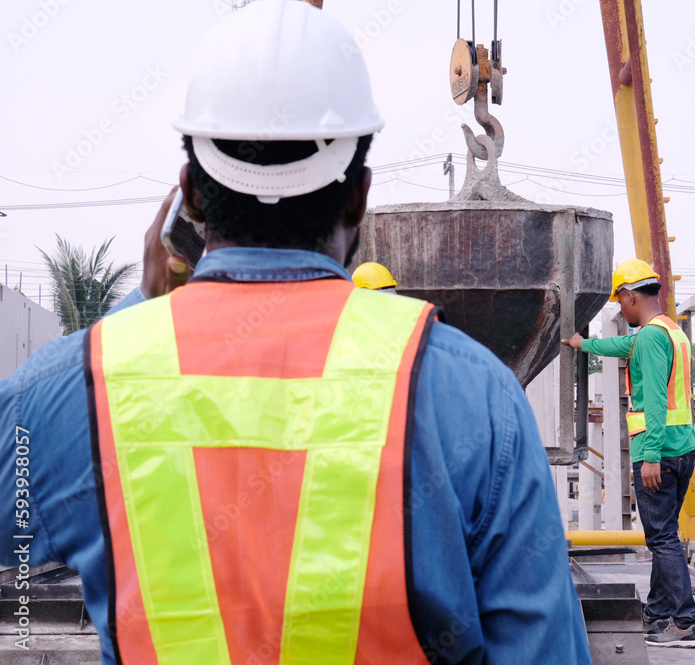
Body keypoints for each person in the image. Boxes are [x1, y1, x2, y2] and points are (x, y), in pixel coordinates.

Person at [0, 3, 590, 663]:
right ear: (360, 196)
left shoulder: (78, 390)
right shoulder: (473, 393)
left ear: (189, 195)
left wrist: (136, 312)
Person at [562, 258, 695, 649]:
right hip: (682, 447)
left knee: (662, 540)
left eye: (619, 302)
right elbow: (622, 344)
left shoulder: (652, 339)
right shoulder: (668, 332)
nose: (620, 310)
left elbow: (656, 399)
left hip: (659, 452)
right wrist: (582, 344)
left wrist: (652, 456)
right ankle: (658, 614)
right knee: (664, 536)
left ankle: (686, 623)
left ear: (629, 296)